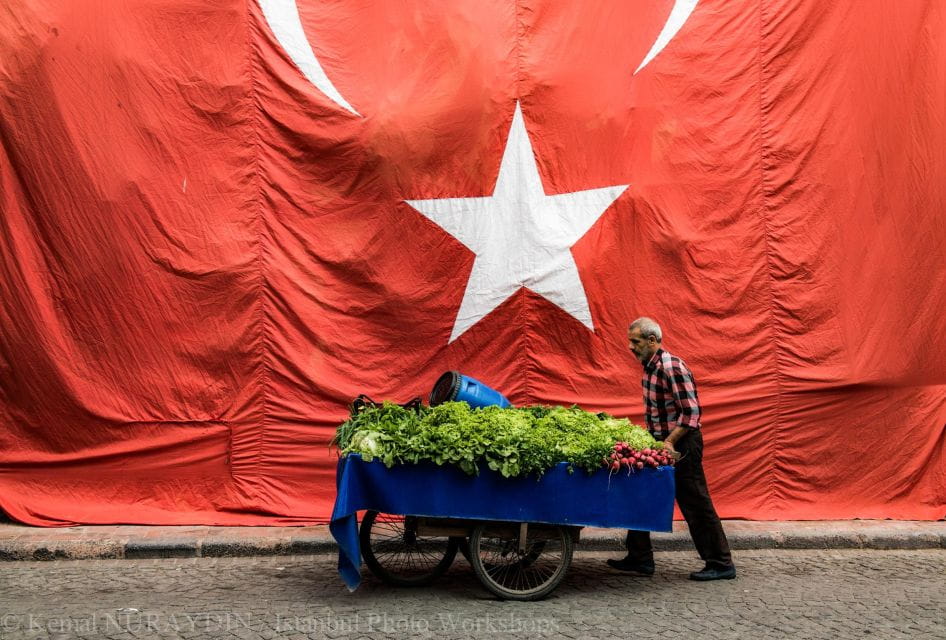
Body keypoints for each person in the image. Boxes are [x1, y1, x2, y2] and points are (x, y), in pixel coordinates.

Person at [607, 317, 736, 581]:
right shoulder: (649, 367)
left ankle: (721, 563)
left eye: (636, 341)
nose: (630, 347)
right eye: (630, 341)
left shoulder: (671, 367)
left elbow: (691, 414)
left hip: (682, 443)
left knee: (695, 502)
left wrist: (668, 442)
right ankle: (640, 558)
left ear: (652, 341)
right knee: (641, 494)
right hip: (661, 442)